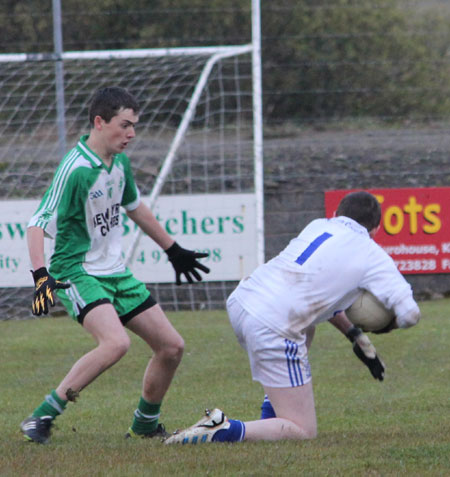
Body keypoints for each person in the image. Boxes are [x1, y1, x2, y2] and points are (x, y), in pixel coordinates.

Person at [21, 86, 210, 444]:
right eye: (124, 125)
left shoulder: (119, 162)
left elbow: (134, 206)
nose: (132, 133)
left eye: (134, 125)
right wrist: (40, 275)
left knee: (172, 347)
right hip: (76, 270)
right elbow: (36, 222)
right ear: (99, 122)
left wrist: (173, 250)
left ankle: (143, 428)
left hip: (115, 272)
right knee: (115, 344)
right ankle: (41, 417)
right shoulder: (75, 169)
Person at [164, 191, 420, 445]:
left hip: (243, 301)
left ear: (335, 214)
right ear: (376, 229)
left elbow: (311, 294)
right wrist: (388, 324)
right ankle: (222, 429)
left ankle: (270, 417)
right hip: (273, 324)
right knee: (302, 429)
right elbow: (410, 314)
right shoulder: (372, 254)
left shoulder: (319, 226)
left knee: (307, 328)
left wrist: (354, 334)